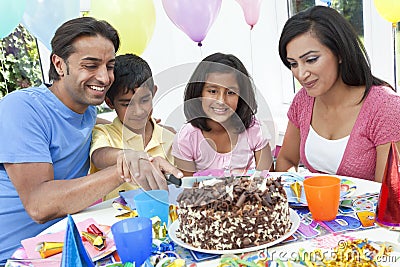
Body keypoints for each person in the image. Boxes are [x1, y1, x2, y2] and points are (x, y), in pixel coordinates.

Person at [0, 17, 181, 263]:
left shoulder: (87, 111)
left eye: (109, 66)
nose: (105, 78)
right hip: (18, 256)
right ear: (59, 64)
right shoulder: (21, 109)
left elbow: (89, 126)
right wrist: (126, 166)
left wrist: (141, 127)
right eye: (91, 65)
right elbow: (39, 205)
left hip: (75, 246)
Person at [275, 6, 400, 182]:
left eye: (311, 60)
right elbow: (286, 159)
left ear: (340, 53)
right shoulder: (303, 100)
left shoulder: (386, 107)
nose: (301, 74)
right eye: (293, 64)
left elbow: (390, 194)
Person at [172, 52, 274, 176]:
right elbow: (187, 188)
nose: (221, 101)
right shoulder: (186, 138)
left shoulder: (255, 130)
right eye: (213, 91)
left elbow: (268, 181)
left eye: (230, 92)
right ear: (199, 93)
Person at [90, 54, 176, 200]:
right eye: (126, 104)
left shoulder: (170, 138)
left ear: (153, 93)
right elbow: (98, 155)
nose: (138, 110)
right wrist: (127, 156)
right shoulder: (105, 133)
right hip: (119, 221)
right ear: (110, 103)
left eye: (144, 100)